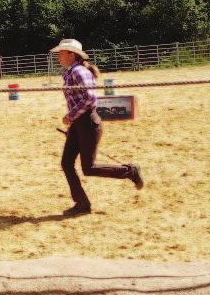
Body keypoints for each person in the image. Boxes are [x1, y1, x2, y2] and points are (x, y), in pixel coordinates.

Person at [51, 38, 144, 215]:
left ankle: (130, 171)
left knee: (89, 168)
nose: (59, 56)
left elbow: (90, 98)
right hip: (79, 124)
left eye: (62, 53)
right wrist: (73, 123)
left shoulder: (78, 72)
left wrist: (70, 116)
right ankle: (82, 204)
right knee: (66, 163)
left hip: (87, 122)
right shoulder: (69, 72)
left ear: (72, 55)